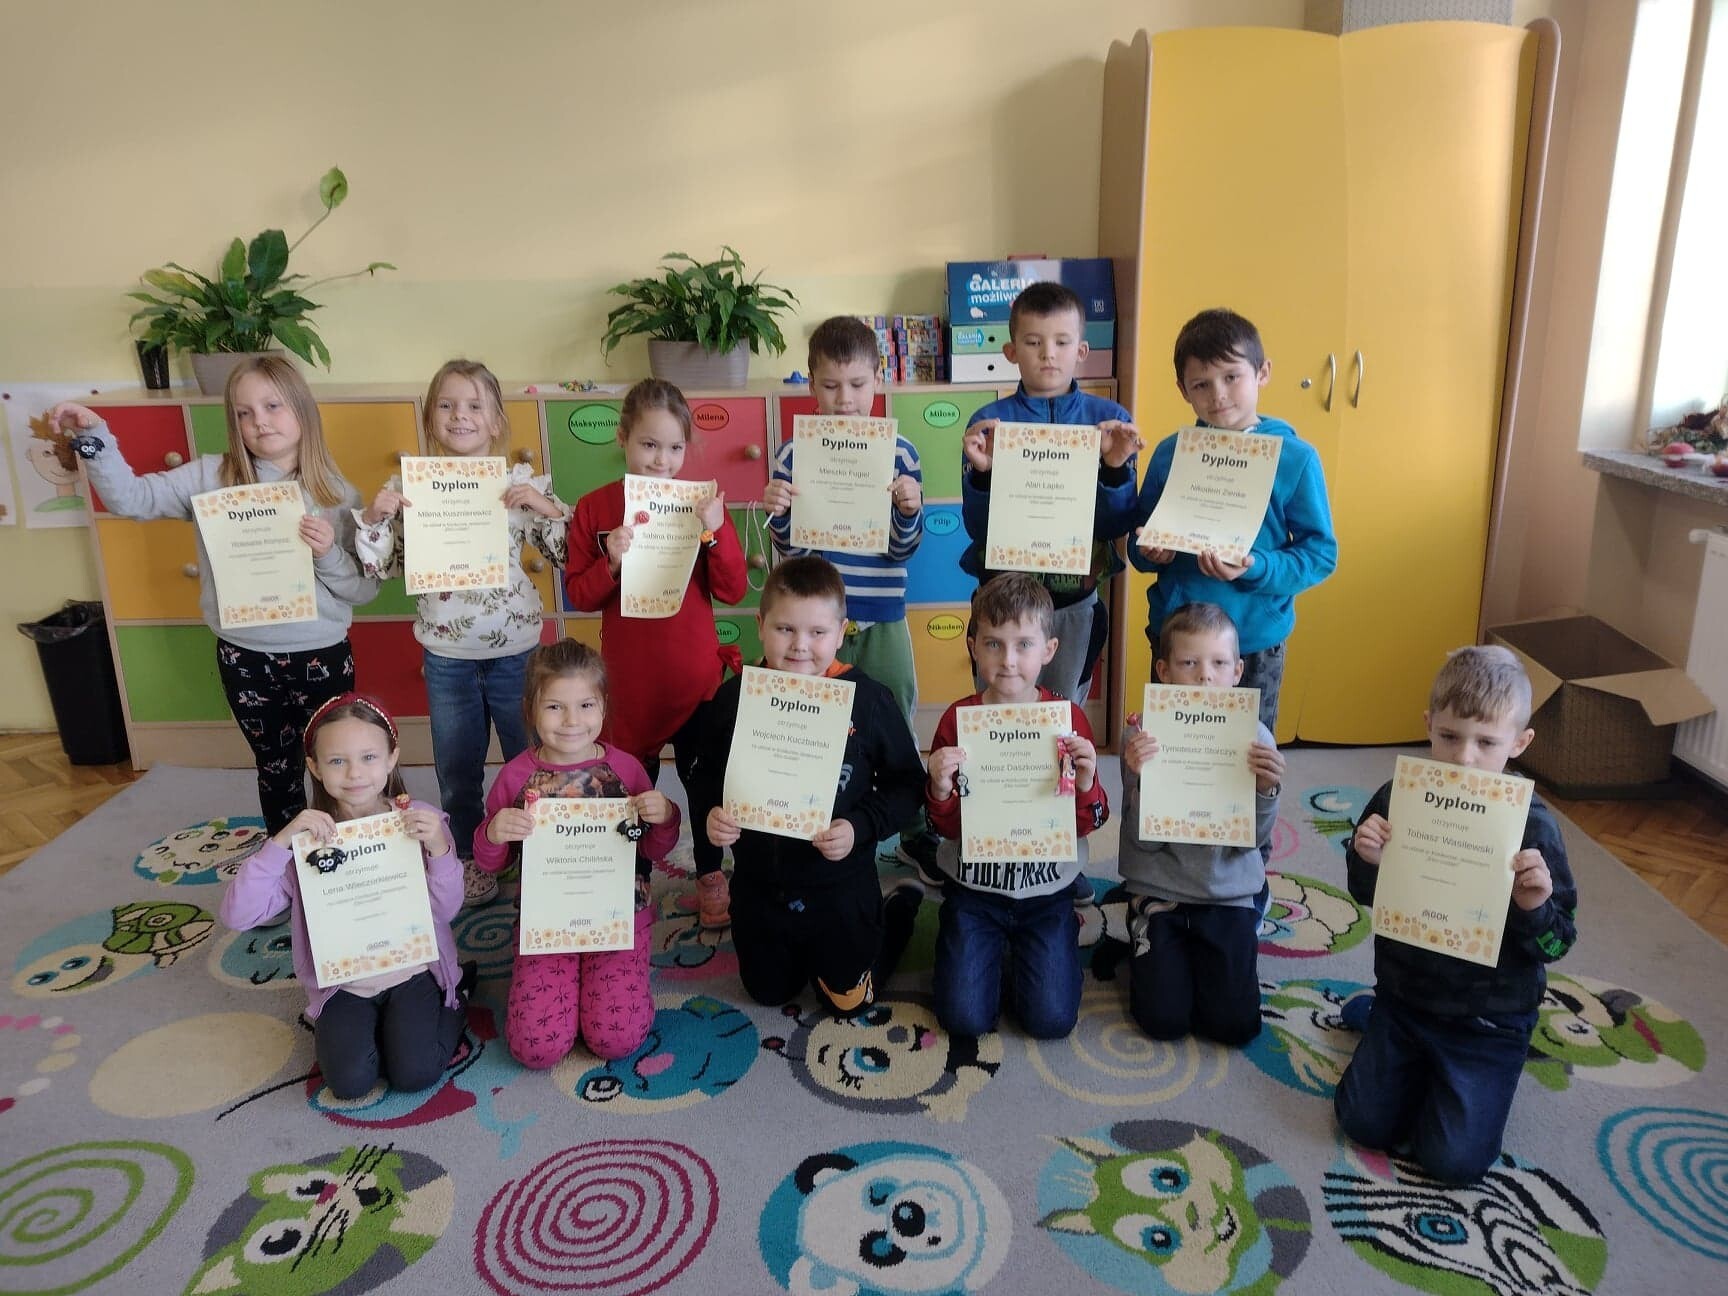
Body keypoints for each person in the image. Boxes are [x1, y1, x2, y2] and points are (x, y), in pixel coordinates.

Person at [48, 358, 377, 834]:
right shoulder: (211, 477)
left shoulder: (336, 493)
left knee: (338, 767)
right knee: (275, 768)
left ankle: (345, 855)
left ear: (303, 410)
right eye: (244, 412)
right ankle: (285, 854)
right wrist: (95, 437)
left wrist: (326, 554)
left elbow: (362, 590)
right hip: (246, 656)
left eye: (273, 406)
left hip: (321, 653)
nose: (259, 421)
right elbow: (131, 499)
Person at [1334, 645, 1578, 1184]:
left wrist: (1534, 906)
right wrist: (1366, 858)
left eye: (1486, 742)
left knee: (1452, 1161)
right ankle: (1380, 1026)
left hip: (1488, 1023)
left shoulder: (1534, 828)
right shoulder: (1399, 798)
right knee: (1362, 1123)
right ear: (1428, 725)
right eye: (1449, 736)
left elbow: (1559, 942)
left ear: (1520, 743)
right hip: (1405, 998)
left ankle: (1443, 1069)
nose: (1463, 757)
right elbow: (1366, 894)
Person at [354, 359, 569, 906]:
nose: (460, 415)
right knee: (456, 764)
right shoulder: (409, 487)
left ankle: (538, 850)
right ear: (431, 417)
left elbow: (564, 554)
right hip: (447, 655)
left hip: (517, 651)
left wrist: (545, 507)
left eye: (475, 406)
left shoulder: (519, 483)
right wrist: (377, 519)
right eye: (447, 405)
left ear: (496, 421)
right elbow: (383, 567)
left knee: (533, 756)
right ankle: (471, 855)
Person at [698, 556, 926, 1014]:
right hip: (760, 885)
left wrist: (859, 827)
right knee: (766, 993)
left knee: (847, 1003)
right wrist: (711, 817)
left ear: (841, 633)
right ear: (760, 625)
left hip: (839, 886)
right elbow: (706, 776)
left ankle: (898, 910)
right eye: (785, 629)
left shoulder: (868, 699)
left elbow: (907, 786)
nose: (801, 646)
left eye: (818, 632)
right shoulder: (734, 697)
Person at [218, 694, 468, 1098]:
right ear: (314, 767)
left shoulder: (420, 822)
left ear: (392, 758)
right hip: (344, 984)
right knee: (349, 1083)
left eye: (369, 757)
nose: (355, 773)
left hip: (413, 972)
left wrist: (439, 848)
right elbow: (238, 915)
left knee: (415, 1074)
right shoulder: (305, 841)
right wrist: (280, 842)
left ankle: (455, 1001)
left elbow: (447, 908)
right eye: (337, 761)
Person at [763, 315, 943, 875]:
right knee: (811, 722)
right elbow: (793, 552)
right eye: (831, 385)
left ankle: (914, 832)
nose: (845, 399)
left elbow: (902, 551)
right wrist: (779, 512)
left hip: (881, 614)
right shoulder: (794, 455)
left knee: (896, 720)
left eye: (858, 384)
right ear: (811, 384)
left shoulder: (901, 454)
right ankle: (808, 819)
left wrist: (909, 509)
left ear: (877, 380)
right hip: (816, 624)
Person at [564, 379, 745, 928]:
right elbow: (579, 594)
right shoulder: (595, 508)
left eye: (674, 447)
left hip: (694, 680)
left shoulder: (700, 504)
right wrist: (611, 561)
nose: (661, 460)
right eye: (648, 444)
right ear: (622, 437)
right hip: (628, 686)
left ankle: (709, 873)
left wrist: (715, 533)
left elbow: (733, 588)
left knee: (705, 783)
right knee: (629, 788)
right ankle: (635, 872)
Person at [1125, 307, 1337, 735]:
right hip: (1178, 638)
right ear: (1183, 390)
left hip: (1253, 639)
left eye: (1231, 377)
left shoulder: (1295, 459)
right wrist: (1151, 551)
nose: (1218, 395)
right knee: (1174, 750)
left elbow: (1319, 555)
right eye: (1201, 384)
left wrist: (1257, 567)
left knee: (1247, 754)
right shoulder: (1170, 454)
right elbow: (1140, 543)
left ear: (1263, 373)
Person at [472, 639, 679, 1069]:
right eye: (554, 707)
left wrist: (665, 816)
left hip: (618, 919)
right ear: (530, 709)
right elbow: (493, 863)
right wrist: (493, 833)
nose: (571, 721)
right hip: (546, 923)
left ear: (603, 706)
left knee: (616, 1038)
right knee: (536, 1046)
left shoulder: (626, 769)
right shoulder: (515, 777)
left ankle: (614, 986)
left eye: (586, 705)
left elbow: (653, 849)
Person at [923, 574, 1109, 1038]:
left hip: (1047, 892)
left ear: (1049, 649)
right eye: (993, 644)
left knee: (1051, 1020)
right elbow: (946, 829)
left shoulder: (1067, 720)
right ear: (973, 647)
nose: (1008, 660)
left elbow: (1089, 822)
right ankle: (965, 936)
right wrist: (940, 790)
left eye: (1024, 644)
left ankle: (1056, 934)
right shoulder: (958, 720)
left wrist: (1086, 783)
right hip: (975, 891)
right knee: (963, 1019)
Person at [959, 281, 1142, 706]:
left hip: (1074, 602)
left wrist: (1115, 467)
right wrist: (984, 475)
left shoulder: (1109, 420)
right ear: (1011, 351)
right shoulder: (990, 423)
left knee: (1062, 711)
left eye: (1062, 342)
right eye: (1033, 342)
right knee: (998, 705)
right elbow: (978, 528)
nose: (1048, 354)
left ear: (1081, 350)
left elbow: (1116, 525)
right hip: (1003, 605)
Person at [1117, 603, 1284, 1045]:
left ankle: (1252, 911)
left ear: (1238, 671)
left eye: (1219, 663)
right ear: (1164, 670)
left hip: (1227, 891)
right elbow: (1140, 842)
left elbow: (1254, 841)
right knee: (1163, 1021)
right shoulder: (1141, 736)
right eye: (1189, 662)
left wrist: (1266, 790)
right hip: (1160, 888)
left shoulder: (1257, 739)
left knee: (1234, 1026)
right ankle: (1144, 925)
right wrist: (1140, 780)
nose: (1205, 677)